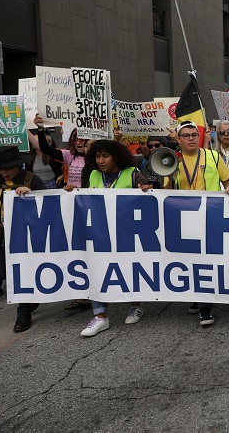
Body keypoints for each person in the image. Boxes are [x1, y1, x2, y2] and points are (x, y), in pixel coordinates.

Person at [75, 140, 153, 337]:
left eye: (105, 156)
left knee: (129, 268)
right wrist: (71, 193)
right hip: (100, 234)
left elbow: (148, 196)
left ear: (116, 157)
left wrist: (145, 190)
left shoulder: (132, 173)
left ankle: (135, 305)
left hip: (127, 233)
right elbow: (83, 200)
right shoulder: (92, 175)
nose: (100, 161)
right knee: (97, 269)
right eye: (97, 156)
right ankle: (100, 315)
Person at [167, 120, 229, 327]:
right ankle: (198, 297)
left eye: (194, 135)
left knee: (207, 261)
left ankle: (206, 308)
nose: (191, 138)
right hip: (185, 218)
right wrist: (169, 176)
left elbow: (228, 183)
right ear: (178, 140)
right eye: (186, 136)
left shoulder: (213, 157)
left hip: (211, 217)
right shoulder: (172, 161)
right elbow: (166, 192)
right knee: (191, 261)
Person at [30, 115, 92, 311]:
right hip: (71, 208)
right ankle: (82, 294)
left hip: (90, 207)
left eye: (85, 140)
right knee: (76, 248)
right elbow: (46, 149)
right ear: (72, 142)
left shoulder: (97, 158)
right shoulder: (68, 156)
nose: (80, 143)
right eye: (77, 139)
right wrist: (40, 129)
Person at [0, 147, 47, 331]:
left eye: (9, 168)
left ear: (17, 165)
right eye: (1, 168)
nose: (4, 172)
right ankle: (31, 300)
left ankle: (23, 314)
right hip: (2, 235)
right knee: (6, 273)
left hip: (26, 234)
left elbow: (48, 202)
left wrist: (31, 194)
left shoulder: (31, 179)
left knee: (21, 273)